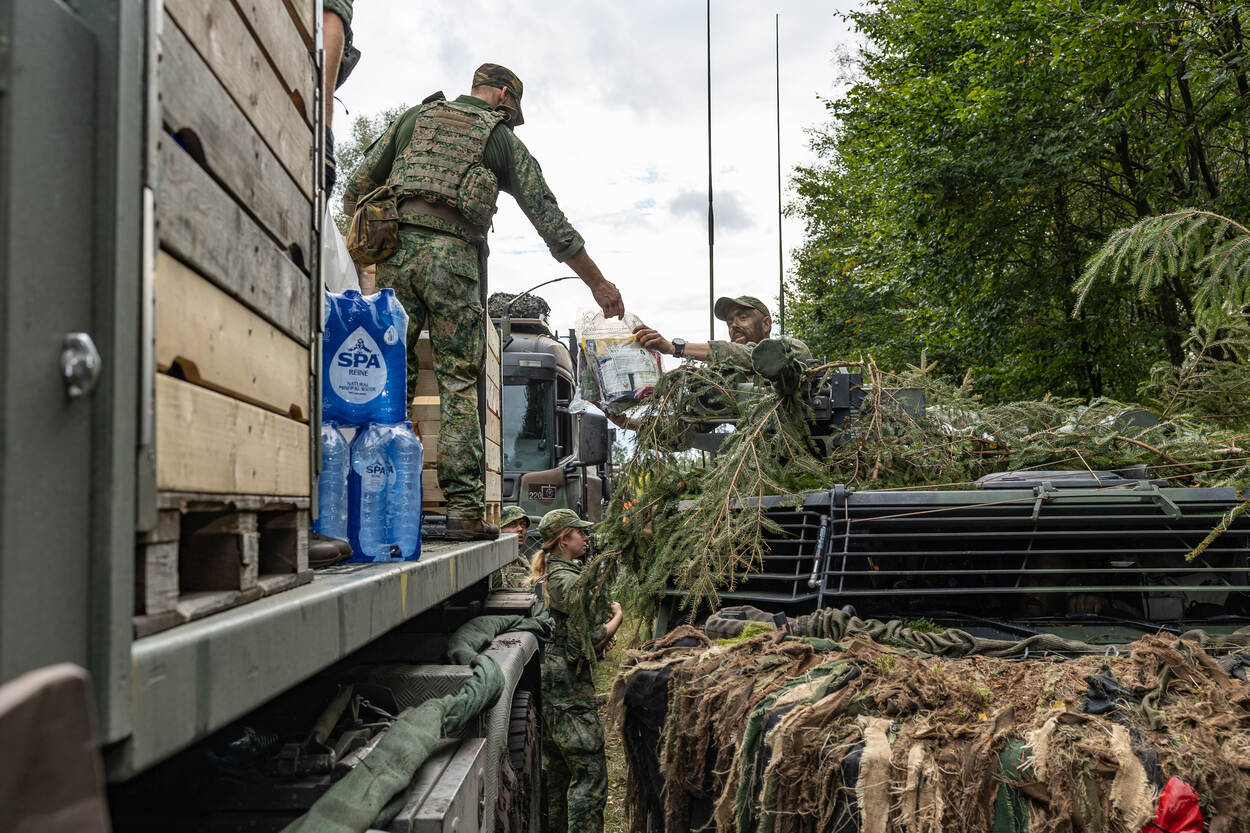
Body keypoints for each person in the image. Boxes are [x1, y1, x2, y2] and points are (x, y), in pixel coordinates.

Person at [343, 64, 624, 540]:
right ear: (504, 99)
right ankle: (463, 511)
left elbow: (355, 188)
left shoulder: (415, 118)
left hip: (394, 262)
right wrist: (599, 284)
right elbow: (549, 219)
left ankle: (380, 499)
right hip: (453, 264)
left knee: (391, 380)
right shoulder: (499, 140)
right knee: (457, 382)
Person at [530, 509, 623, 833]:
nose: (586, 537)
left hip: (555, 679)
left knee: (558, 772)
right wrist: (617, 618)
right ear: (563, 539)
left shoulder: (555, 575)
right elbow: (594, 636)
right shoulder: (566, 579)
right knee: (588, 773)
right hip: (568, 685)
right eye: (579, 532)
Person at [632, 295, 810, 368]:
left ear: (766, 324)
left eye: (742, 317)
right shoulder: (730, 376)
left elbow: (749, 354)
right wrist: (629, 423)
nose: (733, 325)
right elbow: (690, 429)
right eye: (729, 322)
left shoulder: (792, 349)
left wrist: (674, 348)